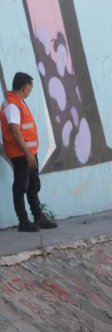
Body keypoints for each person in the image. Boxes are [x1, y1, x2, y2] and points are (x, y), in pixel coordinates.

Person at [0, 72, 57, 232]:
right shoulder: (12, 105)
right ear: (25, 88)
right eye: (31, 87)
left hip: (29, 153)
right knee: (20, 186)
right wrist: (27, 153)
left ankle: (38, 217)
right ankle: (23, 221)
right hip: (21, 154)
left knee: (33, 185)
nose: (31, 90)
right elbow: (15, 131)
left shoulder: (19, 102)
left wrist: (31, 153)